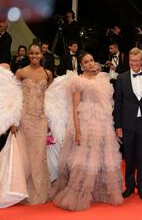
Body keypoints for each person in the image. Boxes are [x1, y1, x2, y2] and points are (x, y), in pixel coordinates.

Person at [51, 52, 123, 211]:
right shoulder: (78, 82)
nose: (90, 63)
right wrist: (78, 131)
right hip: (85, 123)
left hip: (103, 123)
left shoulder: (102, 79)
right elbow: (75, 109)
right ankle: (77, 193)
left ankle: (98, 191)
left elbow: (108, 104)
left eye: (91, 60)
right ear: (81, 65)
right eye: (86, 61)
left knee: (102, 157)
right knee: (84, 158)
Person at [12, 44, 54, 204]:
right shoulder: (21, 72)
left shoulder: (47, 73)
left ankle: (40, 189)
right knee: (26, 154)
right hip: (25, 118)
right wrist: (14, 121)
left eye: (37, 53)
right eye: (31, 53)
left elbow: (48, 98)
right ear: (28, 55)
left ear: (41, 55)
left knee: (40, 154)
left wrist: (50, 119)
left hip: (41, 118)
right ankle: (22, 189)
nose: (34, 55)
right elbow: (15, 97)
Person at [114, 48, 142, 200]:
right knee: (129, 157)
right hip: (128, 124)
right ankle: (129, 186)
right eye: (131, 61)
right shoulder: (122, 78)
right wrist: (118, 125)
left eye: (137, 61)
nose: (134, 64)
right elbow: (118, 103)